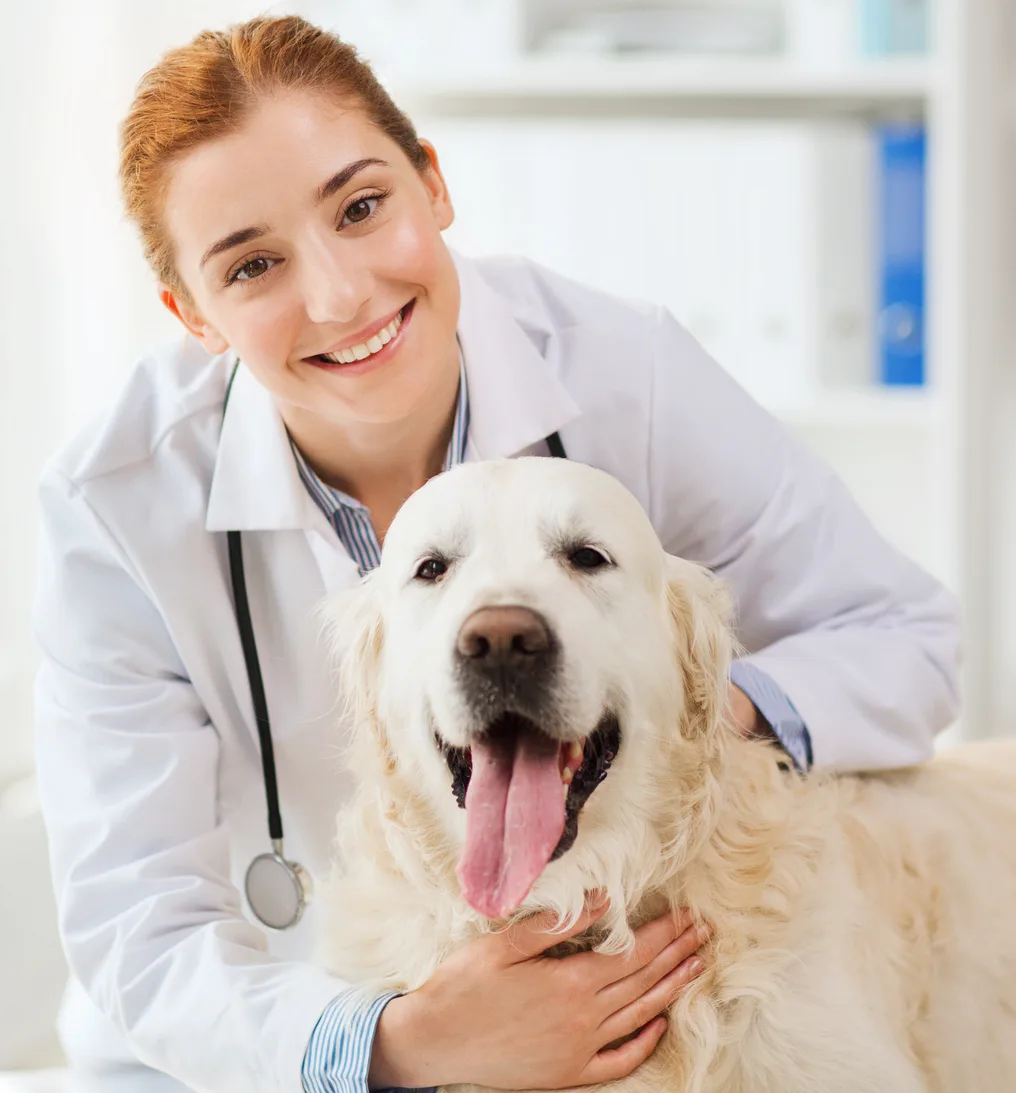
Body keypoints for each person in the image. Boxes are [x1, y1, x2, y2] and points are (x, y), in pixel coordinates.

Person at [32, 14, 959, 1093]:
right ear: (190, 314)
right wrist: (399, 1041)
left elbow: (904, 635)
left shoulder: (629, 369)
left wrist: (699, 700)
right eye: (252, 267)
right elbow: (136, 923)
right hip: (255, 1048)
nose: (338, 295)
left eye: (362, 206)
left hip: (613, 1000)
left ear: (433, 186)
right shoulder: (113, 504)